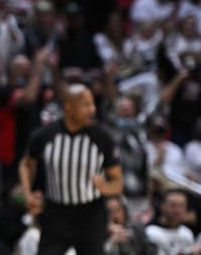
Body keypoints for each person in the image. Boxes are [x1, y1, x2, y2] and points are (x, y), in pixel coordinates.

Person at [19, 83, 123, 254]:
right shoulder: (45, 135)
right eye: (86, 105)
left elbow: (118, 182)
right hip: (56, 213)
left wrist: (106, 187)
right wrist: (28, 193)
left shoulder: (102, 137)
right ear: (68, 107)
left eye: (93, 104)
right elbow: (26, 164)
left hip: (91, 214)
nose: (92, 110)